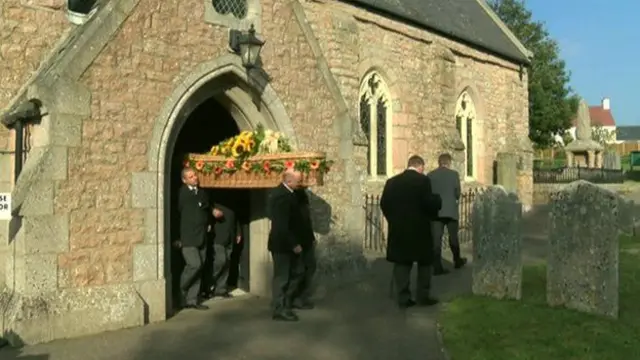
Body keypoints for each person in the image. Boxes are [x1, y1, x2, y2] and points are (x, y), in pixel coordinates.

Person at [380, 155, 441, 309]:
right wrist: (437, 201)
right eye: (423, 168)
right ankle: (423, 296)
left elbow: (384, 204)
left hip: (399, 229)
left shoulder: (391, 182)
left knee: (402, 262)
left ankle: (403, 298)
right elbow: (428, 203)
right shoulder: (423, 181)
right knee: (425, 263)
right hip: (420, 229)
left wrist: (393, 220)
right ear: (420, 166)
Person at [178, 167, 222, 310]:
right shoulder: (182, 193)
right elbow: (177, 213)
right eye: (190, 177)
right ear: (184, 180)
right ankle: (180, 288)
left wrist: (210, 218)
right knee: (194, 265)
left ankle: (192, 299)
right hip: (188, 237)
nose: (195, 178)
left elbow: (204, 208)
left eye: (195, 175)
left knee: (200, 267)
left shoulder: (202, 193)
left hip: (202, 235)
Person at [267, 169, 306, 321]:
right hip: (282, 244)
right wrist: (293, 244)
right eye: (298, 181)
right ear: (289, 181)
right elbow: (281, 225)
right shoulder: (281, 196)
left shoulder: (289, 193)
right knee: (282, 277)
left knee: (298, 272)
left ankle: (285, 302)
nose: (300, 184)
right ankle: (279, 309)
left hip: (288, 242)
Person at [427, 153, 468, 275]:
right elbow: (457, 193)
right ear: (449, 163)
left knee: (436, 239)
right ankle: (457, 260)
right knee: (453, 237)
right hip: (450, 211)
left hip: (436, 211)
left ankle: (437, 266)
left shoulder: (430, 175)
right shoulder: (454, 175)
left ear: (439, 163)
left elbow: (428, 193)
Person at [202, 201, 241, 299]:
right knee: (220, 261)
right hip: (218, 237)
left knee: (227, 263)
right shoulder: (214, 202)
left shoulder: (233, 203)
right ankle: (208, 285)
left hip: (230, 236)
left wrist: (238, 232)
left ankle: (221, 289)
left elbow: (236, 218)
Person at [291, 187, 317, 310]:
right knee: (299, 271)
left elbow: (307, 222)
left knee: (309, 267)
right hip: (299, 241)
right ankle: (294, 298)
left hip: (307, 240)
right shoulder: (292, 201)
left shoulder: (303, 202)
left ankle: (301, 297)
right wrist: (295, 243)